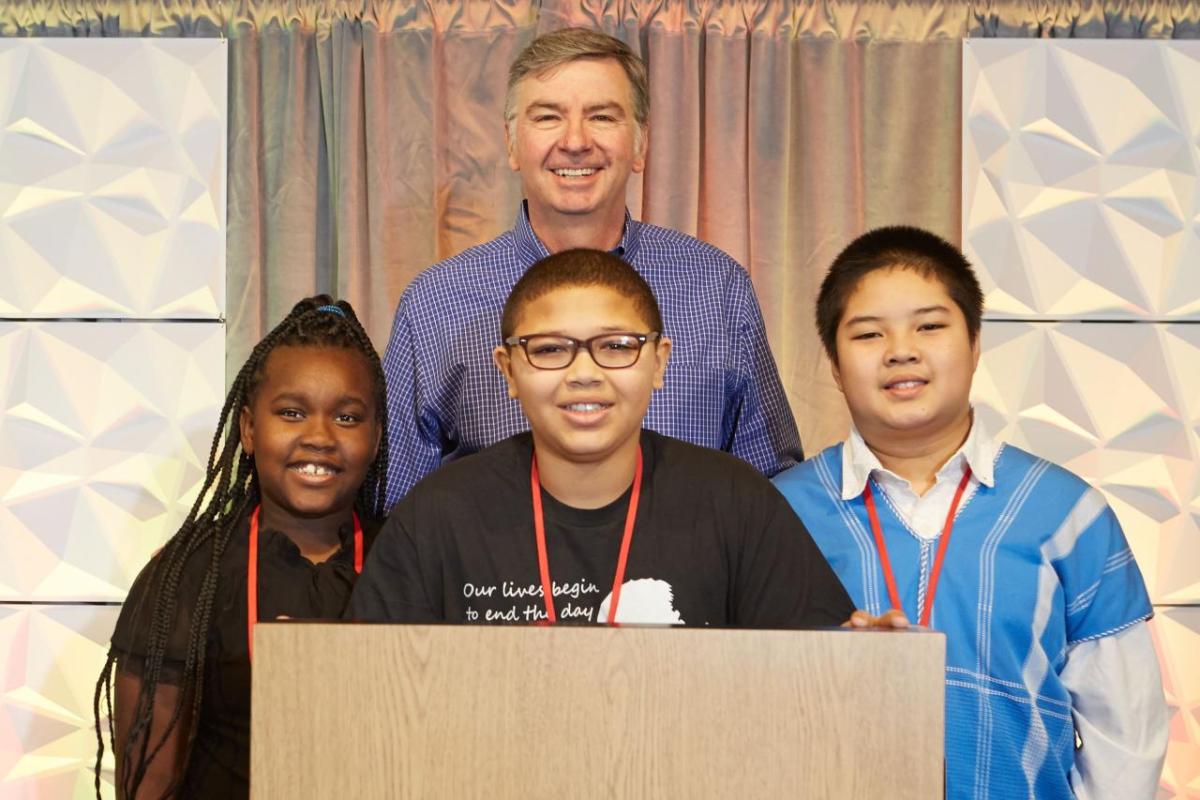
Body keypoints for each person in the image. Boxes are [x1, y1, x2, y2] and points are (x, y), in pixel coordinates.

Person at [772, 227, 1168, 799]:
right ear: (834, 365)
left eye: (930, 326)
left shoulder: (1069, 514)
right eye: (867, 334)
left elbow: (1125, 735)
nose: (901, 350)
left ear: (976, 343)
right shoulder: (778, 514)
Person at [381, 27, 800, 508]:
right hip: (503, 580)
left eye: (601, 116)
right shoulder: (437, 301)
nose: (576, 141)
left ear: (641, 145)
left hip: (687, 580)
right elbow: (398, 511)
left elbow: (772, 492)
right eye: (548, 117)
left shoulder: (716, 287)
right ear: (513, 144)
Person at [352, 249, 855, 628]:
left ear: (660, 361)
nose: (585, 373)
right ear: (507, 370)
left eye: (616, 346)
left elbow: (813, 682)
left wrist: (868, 653)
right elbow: (378, 692)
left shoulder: (737, 504)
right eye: (550, 349)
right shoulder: (439, 517)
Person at [93, 296, 389, 799]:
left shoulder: (411, 560)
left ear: (377, 437)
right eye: (292, 412)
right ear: (249, 429)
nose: (319, 436)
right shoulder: (188, 576)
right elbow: (147, 787)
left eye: (347, 417)